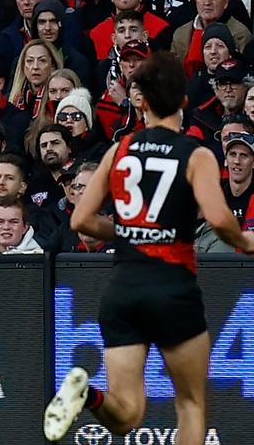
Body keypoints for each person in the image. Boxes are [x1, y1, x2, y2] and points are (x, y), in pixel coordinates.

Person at [45, 53, 254, 444]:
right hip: (173, 289)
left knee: (125, 417)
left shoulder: (118, 151)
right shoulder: (197, 154)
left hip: (123, 290)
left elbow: (81, 221)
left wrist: (130, 231)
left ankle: (87, 393)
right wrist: (245, 241)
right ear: (184, 101)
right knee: (190, 405)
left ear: (140, 100)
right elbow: (220, 218)